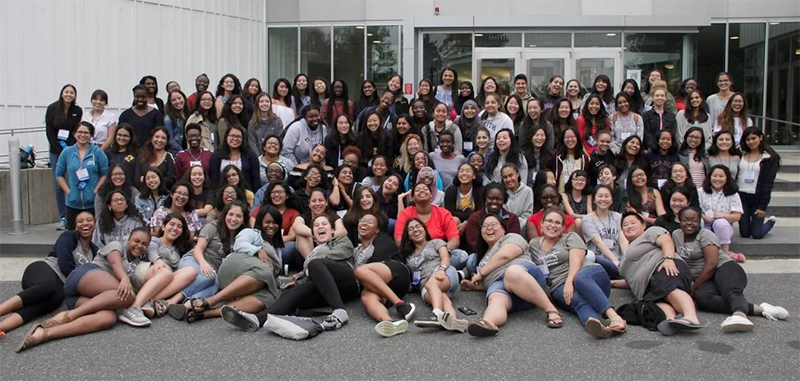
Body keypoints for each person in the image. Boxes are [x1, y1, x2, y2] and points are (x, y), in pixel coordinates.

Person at [15, 228, 160, 352]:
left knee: (107, 319)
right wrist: (125, 279)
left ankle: (44, 333)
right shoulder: (117, 245)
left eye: (144, 244)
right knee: (128, 295)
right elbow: (115, 262)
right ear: (129, 240)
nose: (139, 245)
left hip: (78, 299)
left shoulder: (135, 263)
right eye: (136, 241)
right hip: (83, 276)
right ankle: (70, 315)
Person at [221, 213, 356, 334]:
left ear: (332, 230)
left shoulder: (340, 240)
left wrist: (312, 268)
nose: (320, 227)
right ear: (313, 234)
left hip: (346, 280)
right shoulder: (313, 251)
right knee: (289, 293)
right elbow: (311, 273)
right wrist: (298, 282)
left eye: (324, 224)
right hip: (327, 287)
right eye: (316, 225)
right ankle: (258, 319)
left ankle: (339, 311)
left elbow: (342, 253)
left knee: (315, 264)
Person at [672, 207, 788, 333]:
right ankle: (760, 309)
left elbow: (711, 264)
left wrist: (693, 290)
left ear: (700, 221)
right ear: (679, 220)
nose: (689, 223)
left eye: (693, 220)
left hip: (724, 268)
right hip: (706, 279)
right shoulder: (676, 235)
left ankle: (740, 316)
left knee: (730, 292)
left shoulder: (706, 235)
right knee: (703, 298)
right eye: (685, 220)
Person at [530, 208, 627, 338]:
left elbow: (576, 260)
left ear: (563, 227)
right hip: (558, 284)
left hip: (588, 274)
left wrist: (570, 281)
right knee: (578, 302)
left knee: (580, 279)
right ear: (542, 224)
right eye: (549, 221)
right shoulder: (534, 244)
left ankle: (615, 317)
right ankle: (597, 326)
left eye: (558, 223)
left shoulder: (570, 237)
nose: (553, 225)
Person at [462, 214, 560, 337]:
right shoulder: (481, 258)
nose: (489, 228)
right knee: (495, 298)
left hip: (526, 276)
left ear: (503, 229)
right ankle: (488, 323)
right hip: (506, 289)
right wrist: (477, 286)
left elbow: (505, 255)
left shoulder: (512, 237)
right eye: (485, 226)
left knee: (511, 272)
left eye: (493, 224)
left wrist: (480, 273)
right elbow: (490, 280)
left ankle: (551, 310)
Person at [0, 212, 97, 336]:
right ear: (76, 226)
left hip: (60, 287)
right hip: (44, 269)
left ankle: (2, 327)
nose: (85, 223)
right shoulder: (68, 236)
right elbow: (64, 264)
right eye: (80, 221)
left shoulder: (95, 251)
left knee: (45, 305)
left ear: (94, 225)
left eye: (89, 220)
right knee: (47, 286)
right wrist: (81, 282)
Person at [179, 207, 283, 322]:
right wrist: (258, 250)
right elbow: (239, 244)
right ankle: (210, 301)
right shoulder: (252, 233)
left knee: (269, 298)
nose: (271, 226)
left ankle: (206, 313)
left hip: (254, 279)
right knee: (264, 271)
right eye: (267, 222)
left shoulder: (277, 248)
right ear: (259, 223)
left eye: (275, 223)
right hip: (235, 267)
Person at [618, 212, 702, 333]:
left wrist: (668, 259)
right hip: (646, 286)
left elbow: (666, 241)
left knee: (669, 289)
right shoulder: (626, 253)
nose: (629, 226)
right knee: (658, 300)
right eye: (625, 225)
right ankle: (671, 320)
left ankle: (691, 316)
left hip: (664, 267)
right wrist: (611, 283)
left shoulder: (650, 232)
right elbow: (629, 280)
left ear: (643, 225)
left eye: (633, 223)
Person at [166, 201, 249, 321]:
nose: (233, 219)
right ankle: (173, 300)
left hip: (212, 271)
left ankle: (187, 306)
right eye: (230, 214)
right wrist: (203, 264)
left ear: (243, 220)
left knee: (215, 285)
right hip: (195, 260)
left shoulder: (242, 236)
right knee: (210, 277)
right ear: (225, 215)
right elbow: (198, 249)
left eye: (238, 216)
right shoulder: (213, 227)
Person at [347, 214, 415, 337]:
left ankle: (401, 305)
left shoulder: (382, 238)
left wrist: (360, 276)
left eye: (369, 222)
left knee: (359, 271)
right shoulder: (355, 250)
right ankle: (389, 322)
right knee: (366, 297)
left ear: (377, 229)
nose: (364, 223)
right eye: (361, 220)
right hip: (384, 288)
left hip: (396, 272)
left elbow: (378, 259)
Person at [400, 218, 468, 332]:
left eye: (418, 226)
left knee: (432, 284)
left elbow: (445, 257)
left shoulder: (436, 242)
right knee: (442, 298)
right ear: (409, 236)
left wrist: (441, 269)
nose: (415, 230)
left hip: (443, 272)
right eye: (411, 229)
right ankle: (454, 321)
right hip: (424, 285)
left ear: (424, 229)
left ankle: (436, 314)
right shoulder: (408, 255)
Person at [56, 121, 109, 230]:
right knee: (72, 234)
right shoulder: (67, 152)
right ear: (74, 134)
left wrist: (95, 191)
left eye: (86, 132)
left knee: (93, 234)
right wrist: (68, 191)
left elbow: (105, 174)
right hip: (72, 203)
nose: (83, 135)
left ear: (91, 135)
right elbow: (59, 174)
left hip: (92, 203)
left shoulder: (97, 152)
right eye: (80, 132)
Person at [394, 182, 461, 266]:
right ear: (413, 198)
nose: (422, 191)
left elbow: (454, 240)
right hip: (415, 254)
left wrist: (437, 251)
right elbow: (399, 240)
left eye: (425, 189)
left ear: (431, 196)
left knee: (460, 255)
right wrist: (420, 252)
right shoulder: (406, 214)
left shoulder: (443, 213)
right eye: (418, 190)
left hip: (438, 253)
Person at [47, 84, 82, 230]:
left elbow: (76, 131)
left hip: (72, 150)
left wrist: (70, 148)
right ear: (62, 93)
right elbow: (49, 131)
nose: (69, 95)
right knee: (59, 184)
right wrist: (58, 149)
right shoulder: (53, 108)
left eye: (72, 93)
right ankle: (63, 217)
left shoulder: (77, 111)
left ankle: (73, 215)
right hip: (56, 151)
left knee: (74, 181)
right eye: (66, 92)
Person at [738, 127, 780, 240]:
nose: (751, 142)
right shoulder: (740, 155)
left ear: (760, 138)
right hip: (741, 197)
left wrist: (762, 206)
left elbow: (768, 183)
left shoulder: (770, 158)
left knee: (757, 234)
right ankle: (752, 224)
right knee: (745, 233)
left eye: (754, 138)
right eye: (747, 139)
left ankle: (770, 222)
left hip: (757, 197)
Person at [698, 165, 743, 259]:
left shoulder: (733, 194)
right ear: (709, 177)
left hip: (724, 226)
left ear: (727, 178)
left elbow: (737, 216)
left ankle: (724, 252)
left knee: (720, 223)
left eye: (721, 176)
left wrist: (723, 215)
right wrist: (705, 217)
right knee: (701, 223)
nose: (717, 179)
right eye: (715, 176)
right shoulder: (700, 191)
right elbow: (694, 210)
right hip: (705, 223)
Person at [583, 185, 623, 279]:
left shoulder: (618, 217)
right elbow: (598, 242)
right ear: (594, 200)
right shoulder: (587, 219)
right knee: (606, 264)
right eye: (600, 196)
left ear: (612, 199)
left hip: (618, 257)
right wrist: (615, 261)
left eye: (607, 196)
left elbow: (622, 239)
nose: (603, 199)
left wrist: (626, 257)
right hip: (599, 257)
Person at [444, 163, 484, 240]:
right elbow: (449, 212)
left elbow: (480, 212)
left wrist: (466, 222)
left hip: (473, 221)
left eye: (467, 171)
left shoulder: (480, 190)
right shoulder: (451, 190)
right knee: (455, 220)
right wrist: (469, 213)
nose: (464, 173)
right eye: (461, 171)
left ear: (474, 176)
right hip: (455, 224)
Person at [553, 127, 590, 193]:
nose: (570, 139)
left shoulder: (584, 158)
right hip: (559, 194)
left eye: (572, 137)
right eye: (567, 137)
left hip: (577, 196)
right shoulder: (556, 156)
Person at [643, 85, 678, 152]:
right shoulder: (647, 115)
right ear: (652, 97)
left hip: (667, 150)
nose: (660, 98)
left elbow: (673, 133)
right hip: (651, 150)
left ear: (665, 98)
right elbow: (647, 134)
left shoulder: (671, 116)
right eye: (657, 95)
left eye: (662, 96)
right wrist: (654, 147)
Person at [501, 163, 533, 231]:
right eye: (505, 177)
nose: (508, 179)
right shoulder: (501, 192)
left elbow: (527, 214)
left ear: (517, 174)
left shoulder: (527, 191)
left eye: (511, 175)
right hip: (504, 227)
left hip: (522, 227)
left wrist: (514, 224)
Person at [562, 170, 593, 237]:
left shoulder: (588, 196)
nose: (579, 182)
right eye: (576, 179)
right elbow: (571, 214)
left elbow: (590, 212)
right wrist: (584, 217)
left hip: (585, 222)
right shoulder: (565, 195)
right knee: (578, 221)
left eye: (582, 180)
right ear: (571, 181)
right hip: (569, 222)